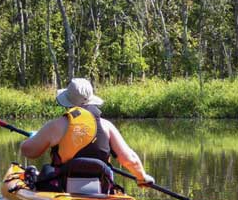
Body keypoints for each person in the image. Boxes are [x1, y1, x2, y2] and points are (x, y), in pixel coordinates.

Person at [19, 78, 154, 191]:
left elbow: (28, 151)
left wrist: (33, 138)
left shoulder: (57, 125)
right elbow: (129, 158)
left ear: (68, 101)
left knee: (38, 171)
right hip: (101, 188)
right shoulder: (106, 126)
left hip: (62, 188)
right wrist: (142, 177)